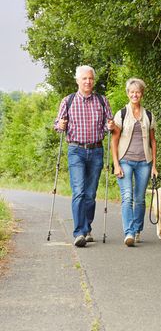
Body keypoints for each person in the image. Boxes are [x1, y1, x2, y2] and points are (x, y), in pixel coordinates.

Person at [54, 65, 114, 247]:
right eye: (84, 78)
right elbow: (57, 124)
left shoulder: (102, 101)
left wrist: (110, 126)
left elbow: (108, 124)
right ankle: (79, 232)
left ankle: (87, 228)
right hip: (76, 150)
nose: (88, 81)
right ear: (77, 80)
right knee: (79, 192)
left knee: (90, 194)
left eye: (90, 79)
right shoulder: (68, 100)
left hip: (96, 150)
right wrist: (60, 125)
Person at [111, 77, 158, 247]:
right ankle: (129, 233)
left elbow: (153, 142)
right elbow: (114, 141)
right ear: (128, 94)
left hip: (144, 162)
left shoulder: (148, 115)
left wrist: (154, 165)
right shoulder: (121, 114)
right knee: (127, 196)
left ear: (142, 94)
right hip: (125, 161)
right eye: (132, 92)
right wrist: (116, 164)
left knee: (139, 199)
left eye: (137, 92)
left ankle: (137, 230)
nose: (135, 94)